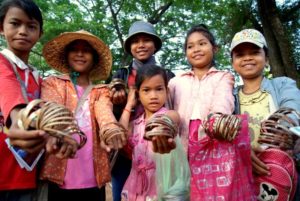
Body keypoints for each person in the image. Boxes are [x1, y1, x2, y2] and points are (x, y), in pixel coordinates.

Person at [168, 24, 255, 200]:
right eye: (190, 46)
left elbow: (223, 103)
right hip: (181, 147)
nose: (196, 49)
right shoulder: (176, 82)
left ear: (214, 48)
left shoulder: (223, 76)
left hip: (213, 143)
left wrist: (216, 119)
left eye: (202, 44)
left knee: (211, 193)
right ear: (185, 52)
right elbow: (167, 108)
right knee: (183, 192)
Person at [40, 30, 127, 201]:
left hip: (94, 177)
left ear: (94, 58)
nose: (80, 54)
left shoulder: (101, 91)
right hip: (58, 174)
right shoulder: (53, 83)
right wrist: (59, 132)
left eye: (86, 50)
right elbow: (52, 110)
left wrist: (110, 130)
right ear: (67, 55)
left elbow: (104, 112)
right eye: (75, 49)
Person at [230, 28, 300, 200]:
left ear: (266, 59)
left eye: (254, 52)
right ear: (233, 63)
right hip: (244, 174)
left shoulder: (283, 84)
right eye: (240, 54)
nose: (247, 58)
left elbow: (293, 109)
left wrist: (270, 148)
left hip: (286, 169)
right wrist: (243, 152)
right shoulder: (228, 96)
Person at [110, 20, 175, 201]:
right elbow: (110, 111)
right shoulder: (121, 75)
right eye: (135, 41)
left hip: (159, 151)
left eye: (146, 40)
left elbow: (175, 110)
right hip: (125, 151)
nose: (141, 45)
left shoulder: (168, 75)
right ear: (130, 46)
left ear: (155, 45)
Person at [119, 64, 189, 200]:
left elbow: (171, 119)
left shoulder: (170, 115)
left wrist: (161, 129)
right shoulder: (135, 124)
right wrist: (129, 104)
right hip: (134, 189)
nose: (153, 96)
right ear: (137, 94)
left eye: (159, 89)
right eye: (146, 90)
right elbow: (119, 136)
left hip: (160, 189)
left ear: (167, 92)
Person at [0, 0, 45, 200]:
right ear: (1, 28)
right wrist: (20, 119)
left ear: (39, 34)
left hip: (27, 172)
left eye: (31, 26)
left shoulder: (37, 78)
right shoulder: (2, 63)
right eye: (15, 23)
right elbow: (7, 86)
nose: (23, 31)